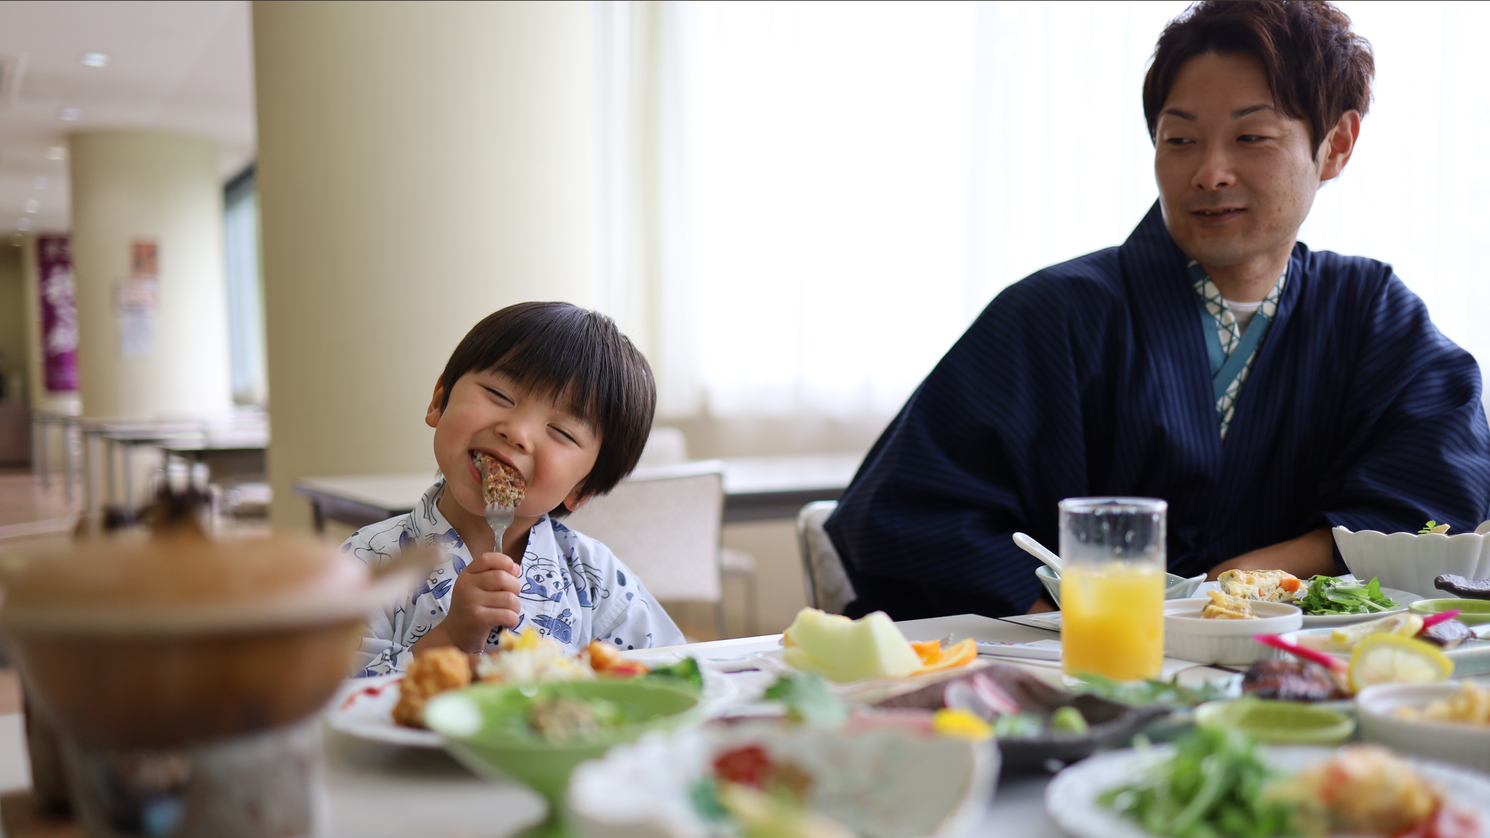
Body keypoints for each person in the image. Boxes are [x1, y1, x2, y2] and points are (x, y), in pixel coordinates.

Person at [826, 0, 1490, 620]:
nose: (1210, 172)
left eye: (1251, 137)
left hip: (1299, 663)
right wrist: (1097, 629)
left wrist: (1243, 584)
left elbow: (1435, 498)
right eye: (1180, 141)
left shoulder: (1372, 315)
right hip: (1081, 678)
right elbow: (908, 514)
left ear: (1336, 145)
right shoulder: (1056, 314)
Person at [348, 302, 685, 676]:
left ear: (583, 489)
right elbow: (329, 694)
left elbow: (667, 673)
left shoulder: (593, 578)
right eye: (500, 395)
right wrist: (449, 638)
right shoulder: (368, 563)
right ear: (439, 400)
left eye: (562, 432)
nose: (518, 432)